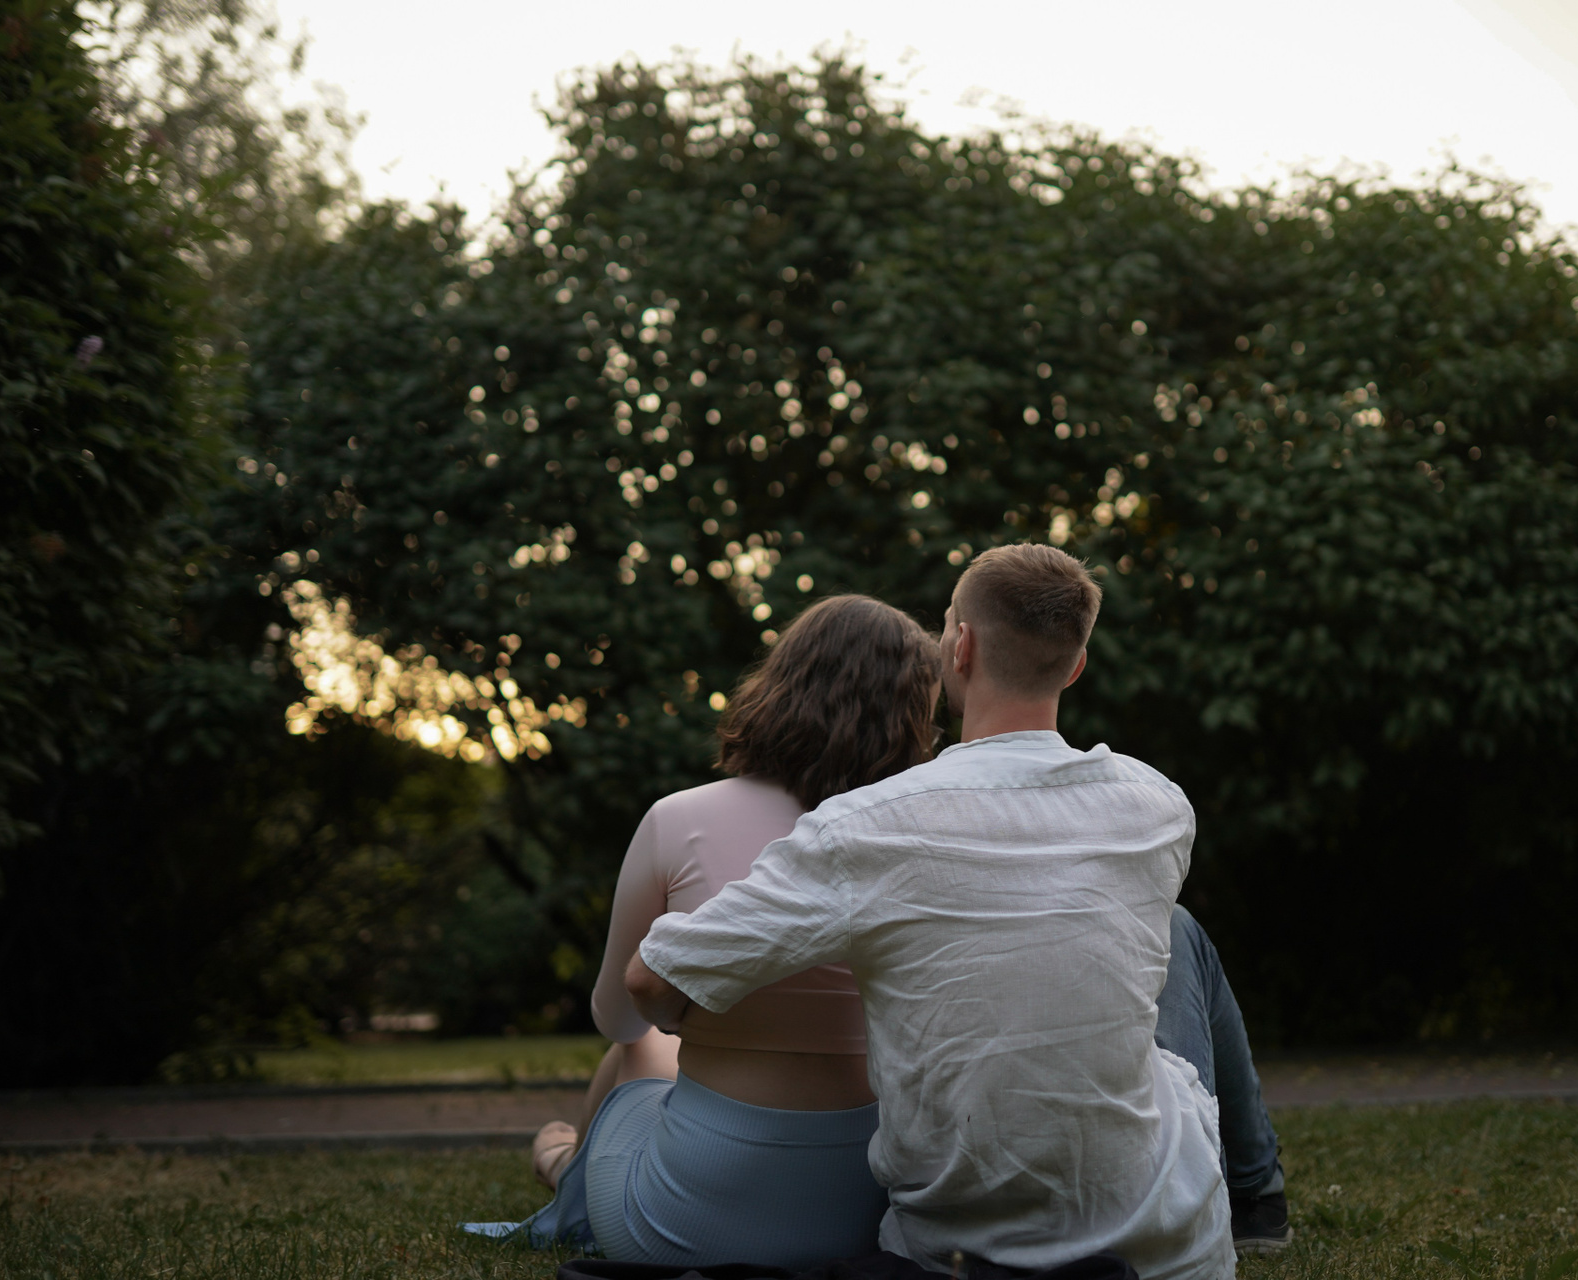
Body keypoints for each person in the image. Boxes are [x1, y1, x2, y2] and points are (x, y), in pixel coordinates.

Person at [627, 544, 1290, 1280]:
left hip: (959, 1250)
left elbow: (651, 981)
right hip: (1171, 1251)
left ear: (960, 647)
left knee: (1174, 933)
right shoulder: (1160, 807)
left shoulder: (866, 827)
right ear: (1075, 666)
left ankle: (1258, 1188)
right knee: (1180, 931)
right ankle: (1257, 1193)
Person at [506, 594, 943, 1267]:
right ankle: (569, 1168)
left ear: (783, 686)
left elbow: (618, 1017)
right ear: (912, 718)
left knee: (642, 1044)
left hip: (679, 1225)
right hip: (864, 1214)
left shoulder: (679, 818)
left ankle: (568, 1170)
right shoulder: (921, 840)